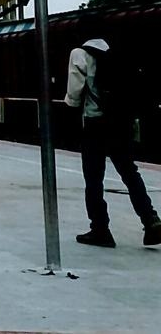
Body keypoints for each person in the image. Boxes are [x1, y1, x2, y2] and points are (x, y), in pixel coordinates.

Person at [64, 38, 161, 248]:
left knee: (94, 178)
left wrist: (71, 108)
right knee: (129, 172)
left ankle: (100, 229)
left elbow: (74, 93)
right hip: (120, 122)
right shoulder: (112, 52)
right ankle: (151, 220)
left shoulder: (80, 53)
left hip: (95, 123)